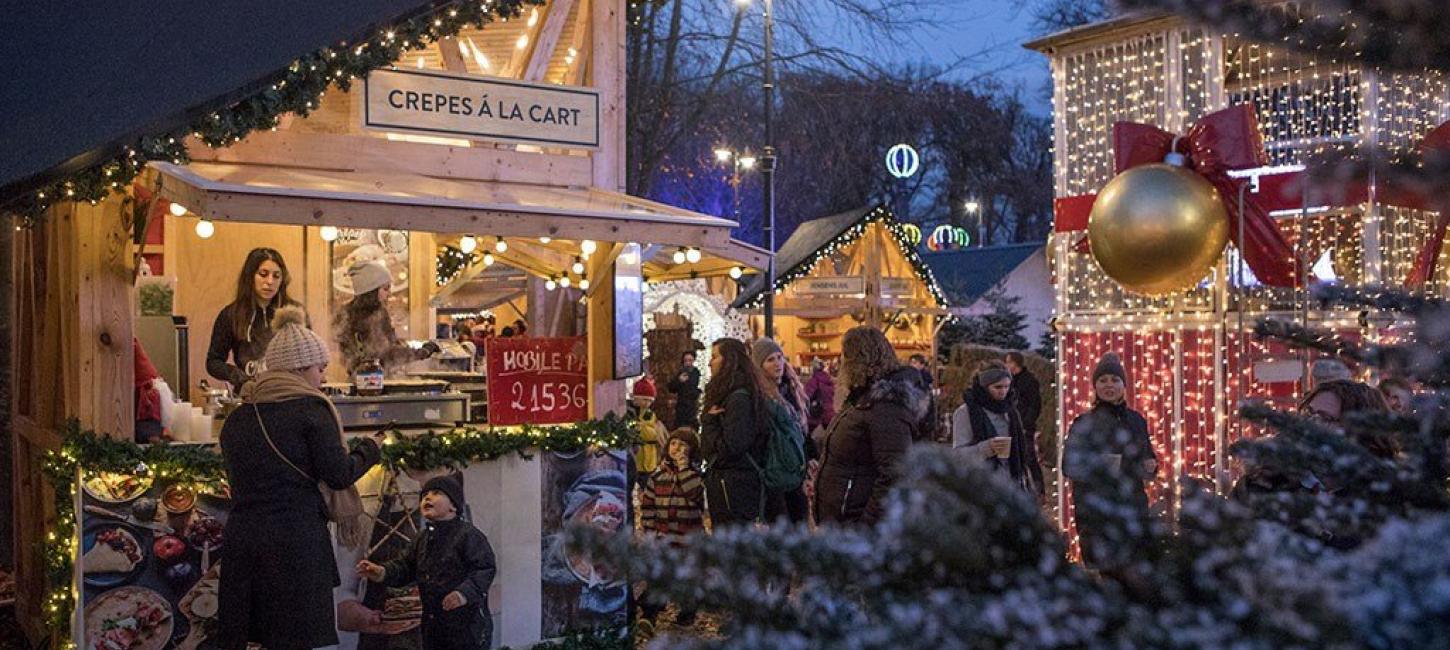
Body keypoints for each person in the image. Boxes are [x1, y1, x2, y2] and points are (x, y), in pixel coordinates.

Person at [217, 307, 382, 649]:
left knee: (258, 639)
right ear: (300, 369)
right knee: (295, 639)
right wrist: (370, 449)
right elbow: (338, 475)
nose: (322, 378)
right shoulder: (312, 410)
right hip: (295, 545)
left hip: (244, 544)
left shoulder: (238, 417)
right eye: (319, 369)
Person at [358, 476, 497, 649]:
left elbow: (484, 568)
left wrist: (463, 594)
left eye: (436, 493)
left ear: (453, 506)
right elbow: (405, 566)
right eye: (424, 496)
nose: (428, 498)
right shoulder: (422, 539)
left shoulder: (468, 535)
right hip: (433, 625)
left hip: (467, 626)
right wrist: (382, 572)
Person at [814, 327, 928, 526]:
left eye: (845, 357)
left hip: (856, 524)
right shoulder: (862, 398)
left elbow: (895, 472)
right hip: (842, 518)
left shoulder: (885, 406)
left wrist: (867, 524)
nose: (841, 364)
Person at [1063, 352, 1157, 571]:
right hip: (1096, 511)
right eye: (1103, 380)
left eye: (1115, 380)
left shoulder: (1136, 420)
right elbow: (1068, 465)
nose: (1109, 385)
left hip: (1131, 508)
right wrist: (1100, 465)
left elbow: (1146, 457)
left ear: (1124, 386)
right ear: (1095, 386)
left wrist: (1150, 466)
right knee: (1105, 574)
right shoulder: (1083, 423)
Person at [699, 338, 776, 526]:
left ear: (729, 360)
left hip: (733, 488)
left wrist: (709, 423)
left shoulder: (738, 398)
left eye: (715, 357)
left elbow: (732, 447)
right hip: (732, 485)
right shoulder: (731, 393)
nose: (710, 362)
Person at [207, 247, 302, 391]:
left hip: (288, 393)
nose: (270, 281)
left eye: (276, 276)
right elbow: (213, 362)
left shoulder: (294, 313)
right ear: (250, 276)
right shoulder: (231, 314)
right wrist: (238, 377)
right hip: (250, 393)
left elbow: (308, 357)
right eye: (263, 274)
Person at [637, 428, 705, 625]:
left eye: (684, 446)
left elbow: (695, 494)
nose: (678, 449)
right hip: (663, 535)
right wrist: (650, 529)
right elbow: (648, 505)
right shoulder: (657, 476)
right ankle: (649, 614)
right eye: (674, 444)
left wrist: (684, 469)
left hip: (688, 537)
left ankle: (688, 611)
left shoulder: (694, 474)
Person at [952, 360, 1045, 498]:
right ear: (984, 387)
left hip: (1010, 487)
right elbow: (958, 456)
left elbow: (1019, 457)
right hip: (980, 488)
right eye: (998, 387)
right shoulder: (966, 413)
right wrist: (987, 448)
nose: (1003, 392)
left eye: (1007, 387)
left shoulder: (1011, 412)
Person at [334, 261, 437, 375]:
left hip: (361, 380)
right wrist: (422, 352)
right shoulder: (372, 317)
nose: (390, 293)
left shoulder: (346, 312)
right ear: (371, 291)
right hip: (372, 382)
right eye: (386, 288)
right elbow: (386, 353)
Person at [753, 338, 810, 523]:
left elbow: (801, 432)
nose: (778, 363)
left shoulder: (791, 390)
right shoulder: (760, 398)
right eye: (770, 359)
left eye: (780, 357)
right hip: (775, 473)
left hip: (796, 471)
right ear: (759, 366)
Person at [627, 377, 668, 480]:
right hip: (637, 461)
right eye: (645, 399)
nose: (647, 404)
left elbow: (652, 435)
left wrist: (641, 427)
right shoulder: (629, 413)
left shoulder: (649, 413)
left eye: (650, 401)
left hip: (649, 461)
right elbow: (649, 434)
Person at [1005, 351, 1043, 443]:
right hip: (1010, 425)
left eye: (1008, 362)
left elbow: (1035, 404)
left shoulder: (1029, 381)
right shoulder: (1009, 380)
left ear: (1015, 363)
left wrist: (1026, 423)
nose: (1006, 365)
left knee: (1026, 454)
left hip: (1024, 427)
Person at [668, 350, 702, 430]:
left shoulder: (696, 373)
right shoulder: (680, 372)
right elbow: (671, 388)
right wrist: (679, 381)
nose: (688, 363)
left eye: (690, 360)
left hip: (692, 406)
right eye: (686, 360)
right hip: (681, 407)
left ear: (693, 361)